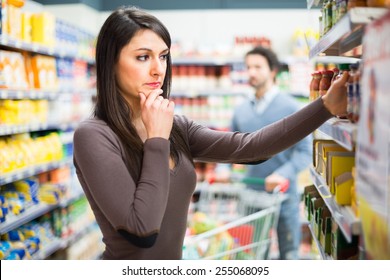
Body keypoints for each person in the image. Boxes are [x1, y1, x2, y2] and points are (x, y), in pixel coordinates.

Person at [73, 6, 349, 260]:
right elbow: (141, 230)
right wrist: (156, 140)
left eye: (163, 56)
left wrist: (324, 107)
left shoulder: (175, 126)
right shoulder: (94, 135)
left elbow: (251, 148)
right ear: (111, 62)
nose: (158, 69)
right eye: (143, 57)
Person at [231, 46, 312, 259]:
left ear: (273, 71)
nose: (251, 72)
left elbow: (305, 152)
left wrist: (282, 174)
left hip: (283, 196)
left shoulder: (291, 108)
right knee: (251, 256)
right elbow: (227, 146)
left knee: (289, 253)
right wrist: (222, 167)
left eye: (258, 67)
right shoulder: (240, 110)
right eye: (248, 67)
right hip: (250, 195)